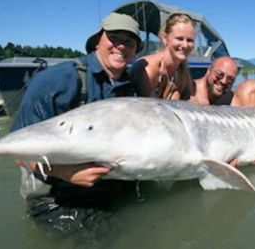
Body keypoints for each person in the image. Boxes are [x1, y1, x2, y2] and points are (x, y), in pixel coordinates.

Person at [11, 12, 142, 233]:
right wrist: (66, 173)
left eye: (129, 41)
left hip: (113, 191)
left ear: (135, 50)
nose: (121, 46)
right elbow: (18, 153)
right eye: (114, 37)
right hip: (59, 198)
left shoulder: (129, 87)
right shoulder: (56, 79)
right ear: (97, 41)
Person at [130, 13, 195, 100]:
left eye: (189, 40)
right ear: (164, 38)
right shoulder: (148, 69)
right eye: (179, 39)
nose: (185, 45)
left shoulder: (181, 73)